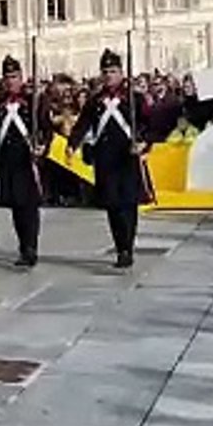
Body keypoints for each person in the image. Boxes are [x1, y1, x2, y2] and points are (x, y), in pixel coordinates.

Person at [68, 49, 153, 269]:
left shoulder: (134, 98)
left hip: (127, 156)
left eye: (113, 71)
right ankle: (120, 246)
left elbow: (149, 123)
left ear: (121, 72)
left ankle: (127, 248)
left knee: (128, 204)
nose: (109, 75)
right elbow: (83, 124)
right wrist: (72, 144)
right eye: (105, 72)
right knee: (112, 205)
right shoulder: (95, 101)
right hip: (105, 158)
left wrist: (144, 142)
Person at [0, 56, 48, 268]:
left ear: (21, 77)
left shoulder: (34, 103)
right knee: (16, 207)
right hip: (7, 163)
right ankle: (23, 246)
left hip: (28, 161)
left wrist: (42, 146)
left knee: (29, 206)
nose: (11, 81)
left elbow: (47, 129)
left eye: (15, 76)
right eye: (8, 77)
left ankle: (30, 248)